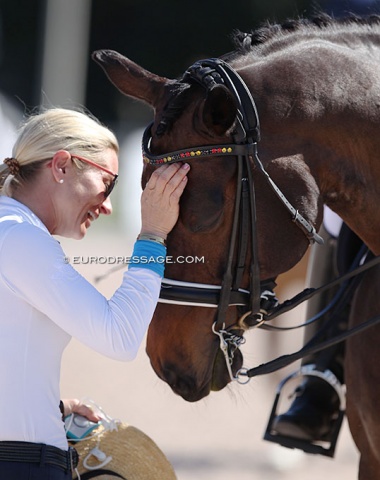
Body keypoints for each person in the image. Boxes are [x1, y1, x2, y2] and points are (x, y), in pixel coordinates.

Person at [0, 107, 190, 479]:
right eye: (108, 183)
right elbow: (119, 336)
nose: (108, 205)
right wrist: (152, 235)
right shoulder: (18, 237)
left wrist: (45, 406)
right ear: (61, 166)